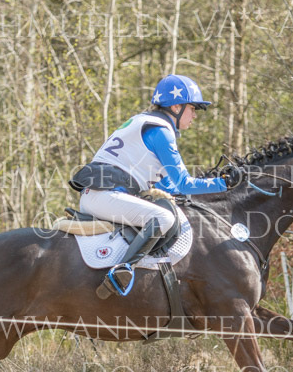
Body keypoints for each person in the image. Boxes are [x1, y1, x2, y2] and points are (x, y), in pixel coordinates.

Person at [70, 74, 239, 298]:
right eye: (192, 108)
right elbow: (184, 183)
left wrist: (214, 184)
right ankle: (122, 270)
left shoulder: (145, 122)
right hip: (105, 196)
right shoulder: (161, 131)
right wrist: (224, 183)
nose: (194, 115)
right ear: (176, 107)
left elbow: (171, 187)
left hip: (100, 194)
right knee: (164, 218)